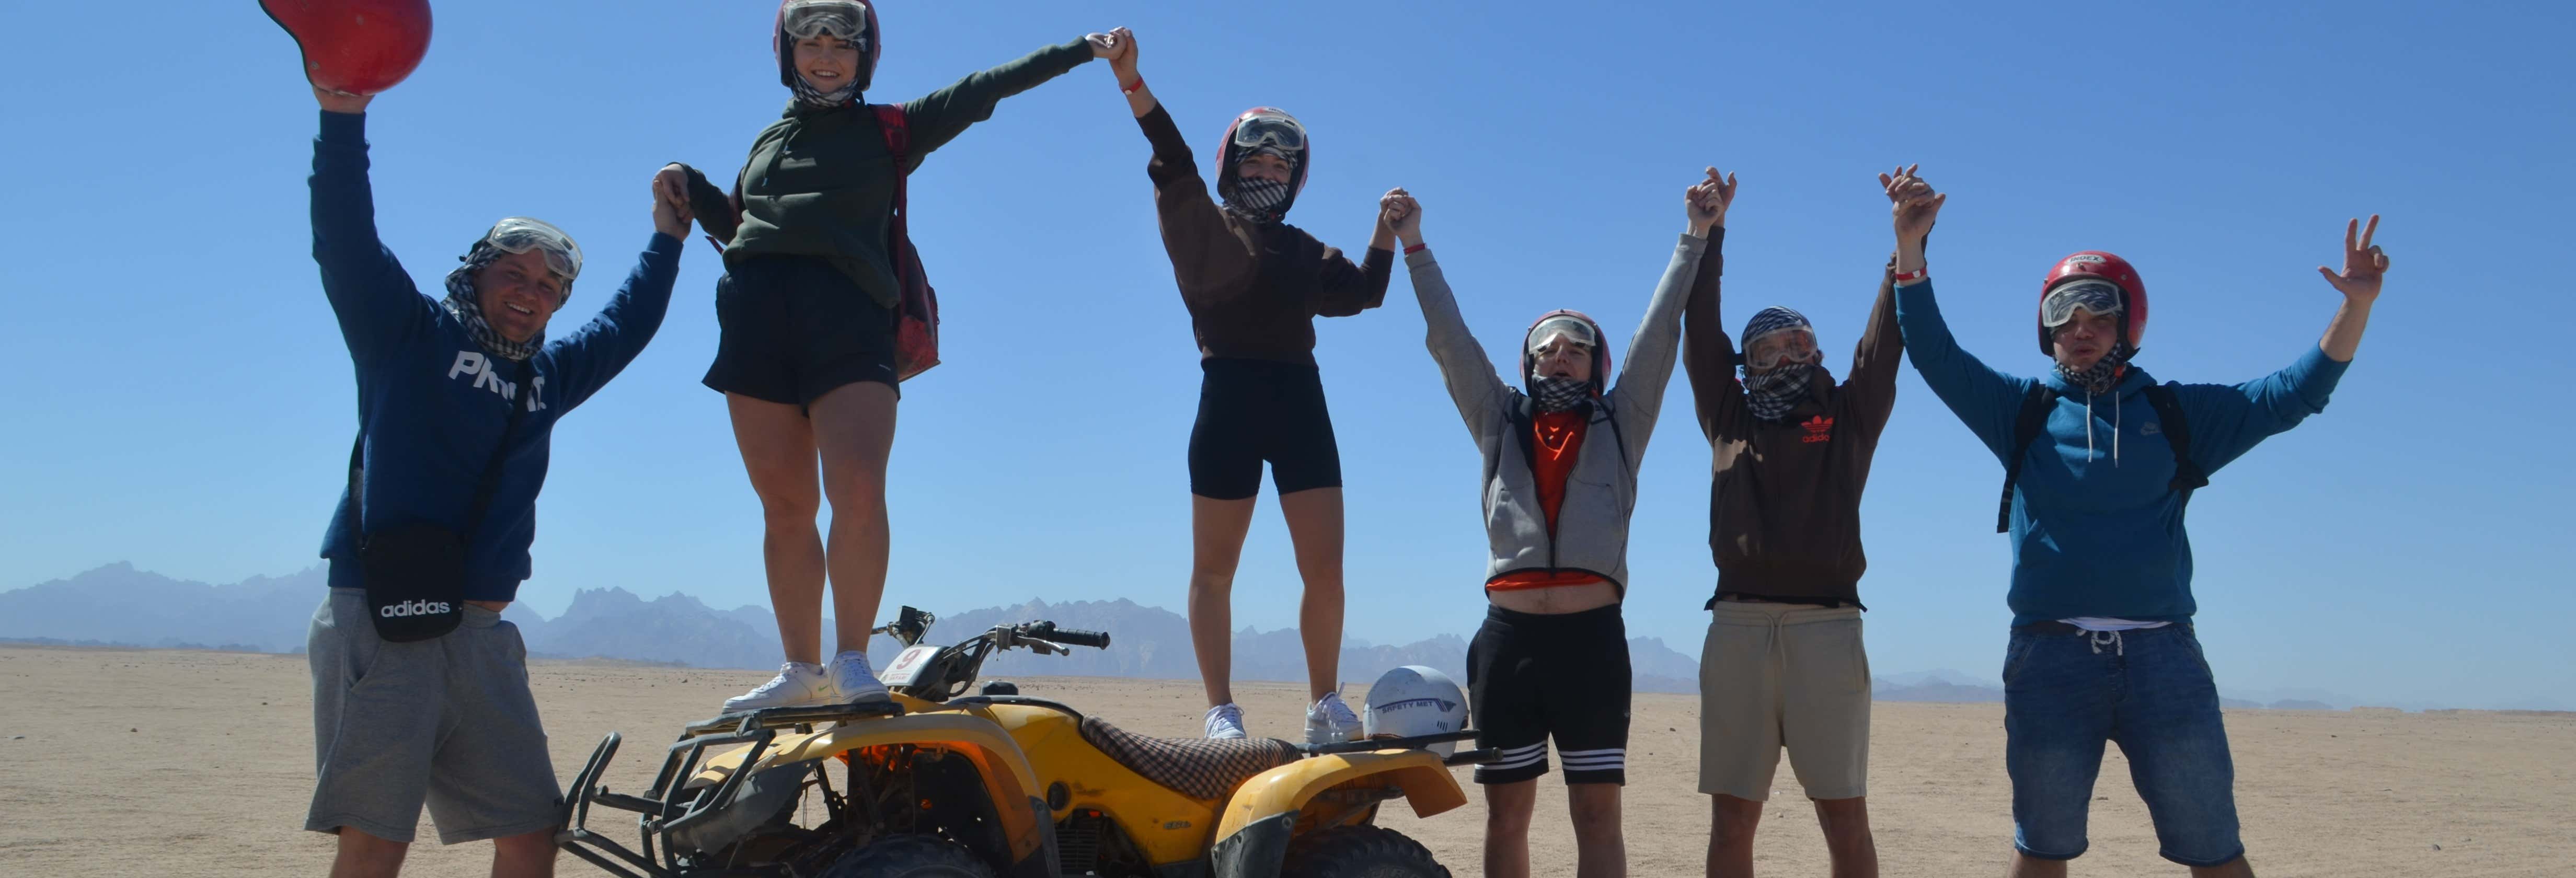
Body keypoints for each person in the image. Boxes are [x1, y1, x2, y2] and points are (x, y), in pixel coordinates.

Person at [1892, 169, 2389, 876]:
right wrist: (1910, 248)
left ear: (2130, 326)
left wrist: (2357, 305)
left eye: (2099, 316)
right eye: (2063, 316)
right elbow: (1934, 354)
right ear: (2046, 331)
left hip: (2164, 661)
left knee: (2214, 850)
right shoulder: (2020, 411)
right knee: (2042, 849)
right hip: (2050, 659)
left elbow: (2293, 394)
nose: (2080, 330)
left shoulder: (2178, 414)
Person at [667, 1, 1126, 712]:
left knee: (856, 487)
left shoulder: (890, 130)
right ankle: (801, 670)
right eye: (811, 43)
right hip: (755, 319)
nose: (826, 57)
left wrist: (1077, 50)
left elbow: (982, 89)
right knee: (785, 506)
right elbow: (750, 228)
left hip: (849, 316)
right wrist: (690, 187)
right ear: (787, 54)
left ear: (866, 57)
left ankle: (853, 660)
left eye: (842, 45)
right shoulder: (768, 141)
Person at [301, 86, 689, 877]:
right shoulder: (406, 333)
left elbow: (625, 326)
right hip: (385, 614)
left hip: (480, 633)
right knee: (376, 839)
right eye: (514, 273)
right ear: (475, 274)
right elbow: (345, 238)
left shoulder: (546, 377)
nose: (529, 292)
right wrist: (343, 116)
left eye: (548, 287)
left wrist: (667, 240)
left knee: (531, 832)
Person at [1398, 174, 1723, 878]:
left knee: (1597, 817)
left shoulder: (1622, 420)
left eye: (1575, 347)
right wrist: (1414, 244)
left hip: (1591, 646)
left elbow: (1658, 334)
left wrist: (1694, 237)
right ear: (1528, 363)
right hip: (1508, 644)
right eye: (1545, 348)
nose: (1559, 355)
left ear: (1596, 364)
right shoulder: (1499, 419)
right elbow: (1450, 341)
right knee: (1506, 816)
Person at [1098, 30, 1395, 743]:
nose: (1267, 170)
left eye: (1280, 163)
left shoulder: (1307, 251)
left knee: (1326, 570)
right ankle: (1221, 710)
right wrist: (1132, 81)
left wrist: (1387, 230)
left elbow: (1364, 294)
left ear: (1296, 179)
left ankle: (1323, 703)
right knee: (1214, 571)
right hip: (1227, 398)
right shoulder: (1200, 227)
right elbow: (1172, 157)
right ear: (1231, 166)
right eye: (1255, 158)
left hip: (1301, 404)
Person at [1684, 168, 1934, 878]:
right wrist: (1709, 235)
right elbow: (1698, 331)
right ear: (1746, 367)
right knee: (1732, 818)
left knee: (1843, 814)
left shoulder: (1849, 414)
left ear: (1818, 351)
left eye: (1799, 343)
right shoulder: (1729, 417)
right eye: (1767, 350)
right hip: (1738, 628)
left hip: (1828, 628)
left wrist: (1906, 247)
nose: (1787, 356)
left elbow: (1884, 346)